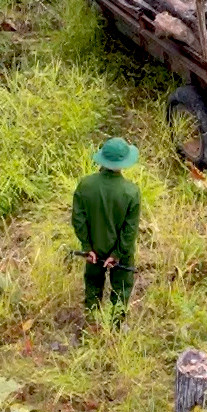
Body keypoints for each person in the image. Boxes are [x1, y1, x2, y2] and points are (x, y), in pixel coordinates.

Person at [71, 137, 142, 320]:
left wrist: (87, 247)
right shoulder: (131, 192)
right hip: (121, 255)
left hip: (93, 250)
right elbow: (129, 230)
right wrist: (117, 254)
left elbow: (78, 220)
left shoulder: (85, 185)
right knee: (121, 289)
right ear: (124, 163)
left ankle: (93, 323)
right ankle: (115, 327)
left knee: (93, 285)